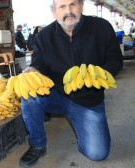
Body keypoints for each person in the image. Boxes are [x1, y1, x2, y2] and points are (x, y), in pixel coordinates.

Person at [19, 0, 123, 167]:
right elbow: (38, 64)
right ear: (54, 12)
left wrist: (98, 75)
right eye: (62, 6)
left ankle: (83, 124)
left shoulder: (101, 27)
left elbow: (116, 60)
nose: (69, 11)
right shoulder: (44, 36)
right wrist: (33, 71)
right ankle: (37, 144)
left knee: (98, 154)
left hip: (87, 100)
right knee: (29, 94)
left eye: (73, 4)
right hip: (55, 94)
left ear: (81, 6)